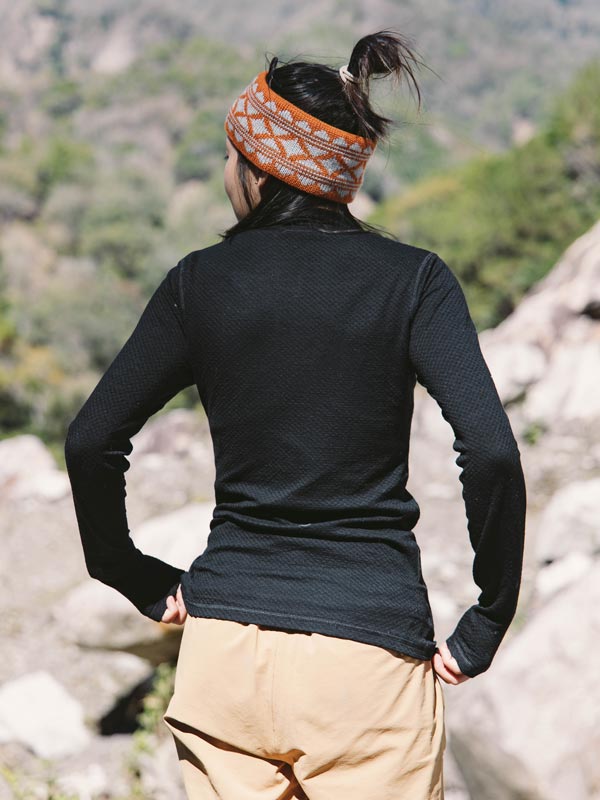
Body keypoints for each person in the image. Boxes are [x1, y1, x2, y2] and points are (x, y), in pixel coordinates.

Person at [64, 29, 527, 800]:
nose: (226, 172)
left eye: (232, 155)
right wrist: (489, 616)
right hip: (368, 661)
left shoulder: (197, 284)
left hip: (224, 660)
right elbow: (492, 451)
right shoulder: (415, 282)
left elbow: (91, 440)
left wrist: (130, 573)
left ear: (261, 168)